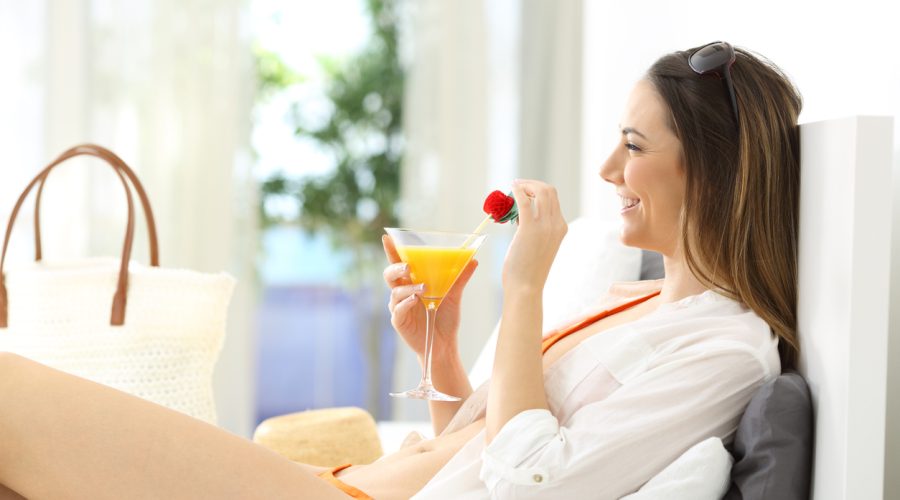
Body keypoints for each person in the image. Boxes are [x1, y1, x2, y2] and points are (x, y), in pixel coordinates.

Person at [0, 41, 801, 499]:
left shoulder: (726, 353)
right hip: (350, 481)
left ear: (712, 172)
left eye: (632, 147)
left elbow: (534, 483)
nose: (605, 169)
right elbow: (480, 447)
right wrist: (443, 349)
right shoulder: (637, 299)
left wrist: (522, 289)